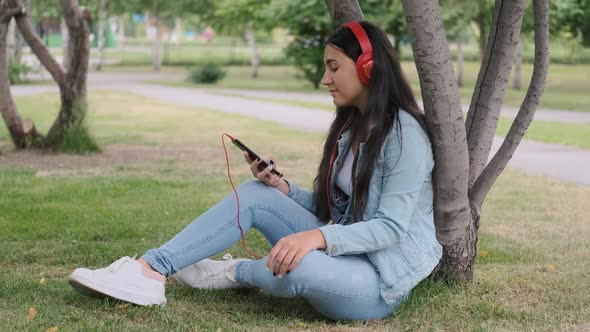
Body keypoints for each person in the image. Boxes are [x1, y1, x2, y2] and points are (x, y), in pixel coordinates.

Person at [68, 21, 442, 321]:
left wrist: (316, 239)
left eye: (333, 68)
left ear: (368, 67)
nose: (325, 79)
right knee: (256, 194)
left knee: (298, 267)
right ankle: (150, 270)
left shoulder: (404, 135)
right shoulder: (351, 128)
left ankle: (235, 273)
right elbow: (335, 210)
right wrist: (282, 188)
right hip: (342, 248)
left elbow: (389, 228)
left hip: (377, 280)